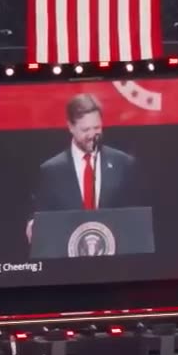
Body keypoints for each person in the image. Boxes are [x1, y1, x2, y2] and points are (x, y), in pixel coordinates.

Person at [26, 92, 139, 245]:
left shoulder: (123, 163)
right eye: (85, 130)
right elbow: (42, 216)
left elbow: (136, 217)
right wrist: (34, 225)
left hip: (116, 257)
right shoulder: (51, 171)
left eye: (97, 127)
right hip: (67, 258)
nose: (92, 134)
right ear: (71, 127)